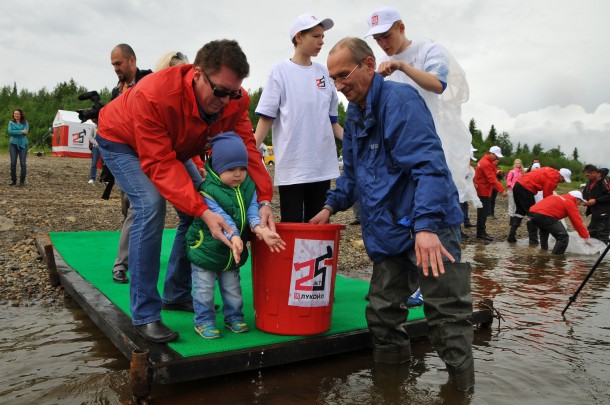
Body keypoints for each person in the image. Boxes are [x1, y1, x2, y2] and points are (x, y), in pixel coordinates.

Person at [310, 37, 474, 392]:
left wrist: (427, 227)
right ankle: (390, 389)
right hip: (389, 229)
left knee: (446, 315)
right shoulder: (353, 114)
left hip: (429, 226)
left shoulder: (400, 101)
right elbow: (351, 173)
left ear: (369, 64)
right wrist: (329, 206)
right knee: (382, 313)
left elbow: (429, 167)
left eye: (344, 75)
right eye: (333, 79)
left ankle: (461, 393)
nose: (339, 86)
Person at [97, 39, 274, 343]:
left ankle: (177, 293)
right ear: (196, 74)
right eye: (220, 92)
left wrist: (264, 198)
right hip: (121, 140)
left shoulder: (232, 99)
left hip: (172, 147)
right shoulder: (154, 95)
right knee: (150, 205)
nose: (225, 101)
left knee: (196, 204)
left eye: (233, 93)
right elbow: (160, 164)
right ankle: (145, 315)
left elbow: (247, 146)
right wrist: (204, 212)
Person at [366, 7, 472, 206]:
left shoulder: (429, 50)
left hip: (428, 134)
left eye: (386, 36)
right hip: (395, 136)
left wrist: (402, 66)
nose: (382, 44)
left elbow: (438, 84)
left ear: (401, 27)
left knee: (432, 194)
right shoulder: (381, 62)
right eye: (377, 40)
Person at [186, 132, 285, 339]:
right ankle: (203, 321)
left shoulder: (248, 186)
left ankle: (234, 317)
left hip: (233, 251)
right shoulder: (208, 190)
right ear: (218, 167)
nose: (238, 174)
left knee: (233, 288)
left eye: (242, 168)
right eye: (231, 169)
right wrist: (235, 236)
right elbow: (221, 218)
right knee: (204, 289)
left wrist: (261, 229)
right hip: (206, 249)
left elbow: (252, 211)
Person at [254, 13, 343, 223]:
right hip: (292, 167)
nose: (321, 41)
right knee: (293, 227)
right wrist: (247, 154)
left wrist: (357, 142)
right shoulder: (280, 70)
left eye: (322, 36)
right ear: (299, 37)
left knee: (319, 228)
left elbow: (333, 123)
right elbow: (266, 117)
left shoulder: (324, 73)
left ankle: (318, 258)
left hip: (321, 166)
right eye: (315, 36)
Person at [108, 44, 153, 284]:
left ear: (132, 61)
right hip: (126, 157)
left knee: (138, 209)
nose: (115, 68)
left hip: (149, 155)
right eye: (113, 65)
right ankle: (129, 258)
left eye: (118, 63)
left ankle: (122, 264)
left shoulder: (149, 81)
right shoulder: (116, 91)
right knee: (130, 209)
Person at [509, 166, 572, 244]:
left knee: (520, 211)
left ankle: (511, 236)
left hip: (517, 185)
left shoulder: (549, 170)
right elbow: (547, 197)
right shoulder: (552, 179)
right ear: (561, 176)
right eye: (564, 180)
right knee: (532, 213)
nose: (563, 182)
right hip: (526, 189)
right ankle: (533, 240)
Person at [473, 146, 507, 241]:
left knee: (483, 212)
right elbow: (491, 179)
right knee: (483, 213)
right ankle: (480, 233)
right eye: (496, 156)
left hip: (484, 189)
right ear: (491, 153)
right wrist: (502, 190)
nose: (498, 158)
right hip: (483, 190)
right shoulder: (486, 163)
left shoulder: (485, 161)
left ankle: (481, 232)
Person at [582, 164, 610, 244]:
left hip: (605, 212)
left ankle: (603, 255)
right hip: (595, 212)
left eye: (588, 175)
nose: (587, 177)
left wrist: (596, 201)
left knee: (603, 233)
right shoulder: (590, 182)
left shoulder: (605, 180)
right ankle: (595, 253)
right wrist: (584, 200)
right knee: (592, 232)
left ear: (594, 173)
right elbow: (585, 193)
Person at [7, 108, 29, 186]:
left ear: (21, 115)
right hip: (13, 144)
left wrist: (16, 132)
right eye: (15, 113)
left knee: (22, 163)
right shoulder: (10, 123)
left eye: (18, 114)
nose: (16, 115)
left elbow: (26, 132)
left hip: (23, 144)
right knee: (13, 162)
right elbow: (10, 132)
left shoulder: (25, 122)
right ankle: (13, 180)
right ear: (13, 114)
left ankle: (22, 181)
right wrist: (21, 131)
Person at [505, 158, 524, 242]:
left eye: (519, 163)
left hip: (519, 191)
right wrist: (512, 186)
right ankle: (512, 219)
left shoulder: (522, 172)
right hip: (512, 190)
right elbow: (508, 180)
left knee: (517, 205)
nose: (518, 164)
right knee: (512, 204)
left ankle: (514, 220)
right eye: (516, 163)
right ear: (514, 164)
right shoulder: (512, 171)